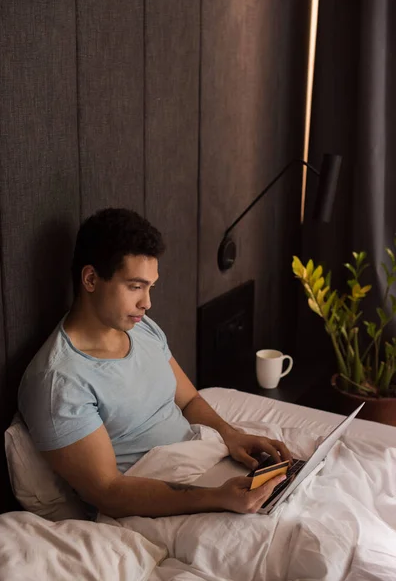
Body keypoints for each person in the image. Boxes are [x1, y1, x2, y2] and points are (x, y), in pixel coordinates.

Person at [18, 208, 291, 518]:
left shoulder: (141, 327)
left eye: (150, 287)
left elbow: (188, 400)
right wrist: (216, 498)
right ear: (91, 279)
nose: (146, 303)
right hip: (157, 505)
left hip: (204, 463)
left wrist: (232, 436)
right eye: (135, 287)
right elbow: (109, 492)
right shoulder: (59, 380)